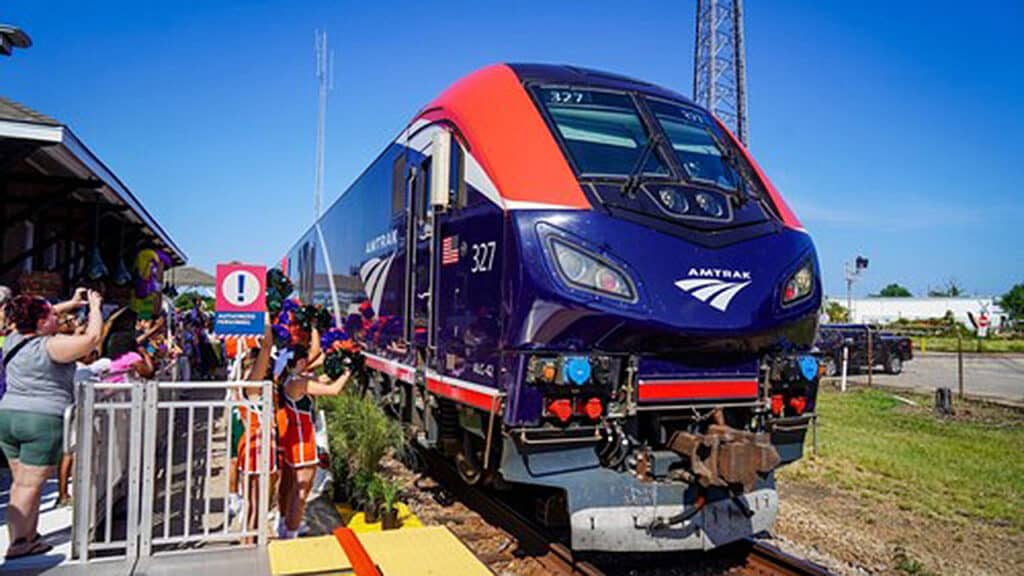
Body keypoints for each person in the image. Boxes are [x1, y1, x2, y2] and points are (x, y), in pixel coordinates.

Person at [0, 288, 102, 559]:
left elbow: (39, 314)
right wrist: (94, 307)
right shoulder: (52, 346)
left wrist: (73, 302)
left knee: (21, 483)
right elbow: (92, 339)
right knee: (27, 485)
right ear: (41, 321)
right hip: (41, 420)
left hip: (8, 416)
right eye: (51, 315)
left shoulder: (12, 338)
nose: (57, 317)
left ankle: (28, 535)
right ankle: (19, 543)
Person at [275, 336, 351, 539]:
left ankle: (287, 526)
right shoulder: (299, 383)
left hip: (295, 436)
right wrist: (348, 372)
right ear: (300, 362)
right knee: (302, 492)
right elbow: (333, 390)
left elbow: (322, 380)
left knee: (294, 488)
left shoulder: (290, 379)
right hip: (303, 439)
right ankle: (290, 533)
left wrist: (336, 364)